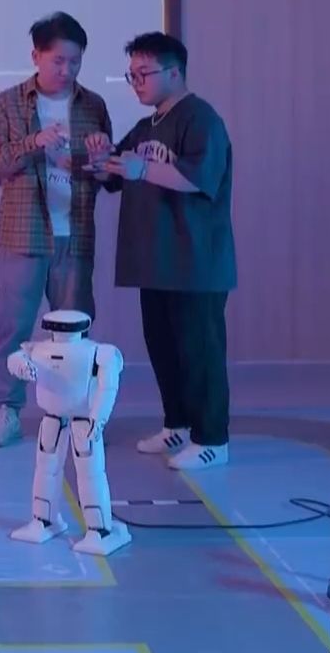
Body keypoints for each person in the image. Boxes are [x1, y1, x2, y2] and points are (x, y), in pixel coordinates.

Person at [87, 31, 235, 471]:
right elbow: (116, 174)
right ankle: (178, 424)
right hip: (154, 261)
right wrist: (102, 160)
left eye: (144, 73)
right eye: (131, 75)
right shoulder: (145, 127)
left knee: (200, 351)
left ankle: (212, 439)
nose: (136, 83)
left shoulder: (201, 119)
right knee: (164, 348)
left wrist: (142, 168)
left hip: (194, 262)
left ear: (174, 72)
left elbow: (197, 178)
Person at [0, 12, 113, 447]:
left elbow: (107, 174)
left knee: (75, 334)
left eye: (75, 61)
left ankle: (77, 415)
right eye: (58, 60)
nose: (67, 70)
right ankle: (8, 411)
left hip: (76, 233)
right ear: (36, 56)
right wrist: (33, 143)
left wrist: (100, 158)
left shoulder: (93, 106)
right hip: (25, 232)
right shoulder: (9, 104)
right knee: (14, 328)